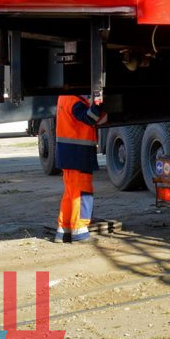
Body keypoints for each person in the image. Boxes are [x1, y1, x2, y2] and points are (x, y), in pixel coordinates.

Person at [54, 94, 106, 243]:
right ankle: (80, 232)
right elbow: (89, 118)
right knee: (82, 194)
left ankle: (63, 231)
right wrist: (98, 104)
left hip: (69, 155)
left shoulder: (64, 98)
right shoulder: (75, 101)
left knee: (70, 193)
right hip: (78, 154)